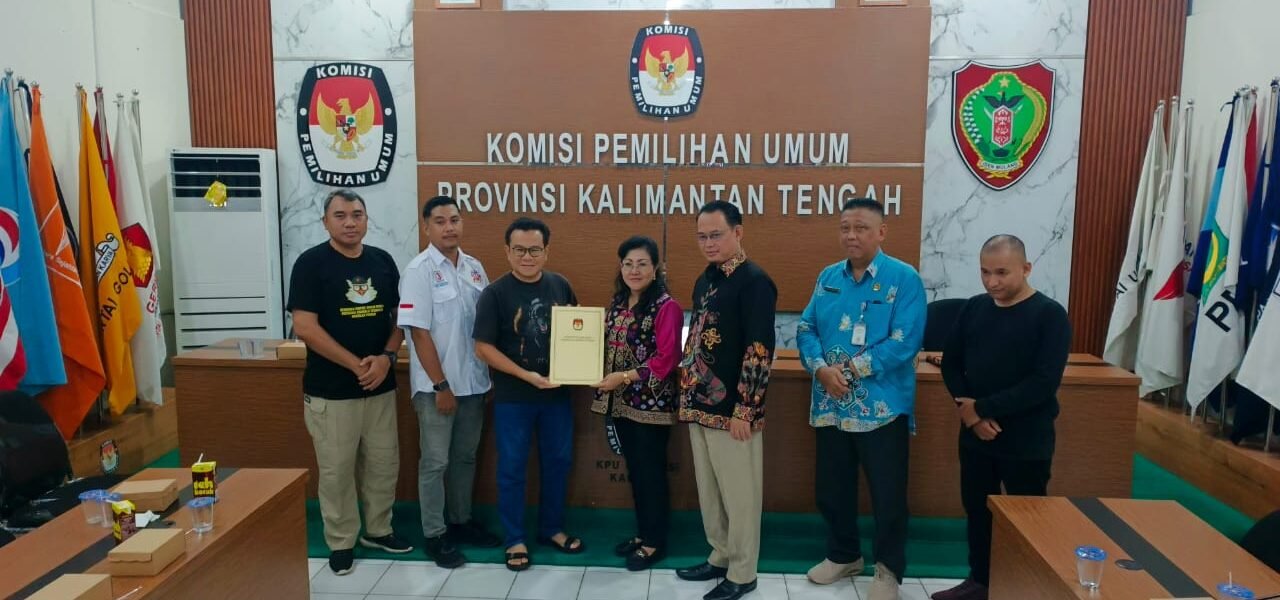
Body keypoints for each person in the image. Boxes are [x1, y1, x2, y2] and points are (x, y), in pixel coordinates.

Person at [796, 198, 926, 600]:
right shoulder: (828, 276)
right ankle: (844, 554)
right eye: (845, 228)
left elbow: (904, 342)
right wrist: (821, 369)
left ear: (881, 232)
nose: (851, 236)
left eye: (861, 228)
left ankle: (888, 570)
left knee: (887, 494)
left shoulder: (903, 279)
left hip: (881, 408)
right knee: (832, 487)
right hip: (831, 405)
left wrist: (850, 372)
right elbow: (806, 328)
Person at [933, 235, 1071, 600]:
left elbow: (1043, 383)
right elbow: (951, 363)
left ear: (1026, 269)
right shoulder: (975, 308)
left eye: (1001, 273)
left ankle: (1027, 586)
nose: (991, 281)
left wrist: (982, 408)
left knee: (1027, 516)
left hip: (1026, 439)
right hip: (975, 435)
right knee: (978, 511)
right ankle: (981, 581)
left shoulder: (1049, 315)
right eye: (985, 272)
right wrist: (971, 415)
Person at [287, 189, 414, 576]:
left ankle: (378, 529)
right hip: (332, 392)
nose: (350, 222)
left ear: (367, 219)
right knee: (337, 471)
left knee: (383, 464)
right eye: (340, 215)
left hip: (380, 386)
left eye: (357, 214)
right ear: (325, 222)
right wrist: (357, 365)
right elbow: (304, 326)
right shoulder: (311, 264)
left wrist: (387, 357)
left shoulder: (382, 262)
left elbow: (401, 317)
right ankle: (341, 540)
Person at [675, 201, 777, 600]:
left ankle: (742, 572)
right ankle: (720, 554)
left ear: (738, 232)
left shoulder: (755, 282)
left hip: (734, 411)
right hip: (699, 402)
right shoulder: (706, 279)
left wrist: (746, 410)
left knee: (740, 495)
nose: (708, 243)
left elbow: (758, 350)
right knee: (711, 491)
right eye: (701, 236)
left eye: (716, 235)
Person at [473, 217, 585, 571]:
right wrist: (526, 376)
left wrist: (579, 364)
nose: (527, 257)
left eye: (534, 250)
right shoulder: (494, 294)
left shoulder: (560, 285)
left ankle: (552, 529)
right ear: (507, 251)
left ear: (546, 251)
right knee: (512, 467)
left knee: (558, 463)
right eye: (519, 249)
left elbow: (578, 330)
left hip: (557, 396)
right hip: (514, 397)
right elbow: (483, 348)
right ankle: (515, 538)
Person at [398, 196, 501, 569]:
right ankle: (434, 534)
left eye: (454, 219)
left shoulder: (474, 267)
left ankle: (460, 521)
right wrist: (441, 386)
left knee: (465, 458)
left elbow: (484, 325)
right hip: (437, 389)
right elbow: (418, 332)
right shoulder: (419, 270)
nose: (449, 227)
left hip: (473, 385)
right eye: (440, 221)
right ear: (426, 226)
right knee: (435, 462)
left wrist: (486, 378)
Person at [590, 236, 683, 571]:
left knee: (651, 474)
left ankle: (655, 542)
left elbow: (668, 358)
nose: (634, 270)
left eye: (642, 263)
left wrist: (626, 376)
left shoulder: (666, 307)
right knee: (637, 472)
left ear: (656, 268)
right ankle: (644, 534)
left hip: (650, 407)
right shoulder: (618, 302)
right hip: (619, 403)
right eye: (628, 264)